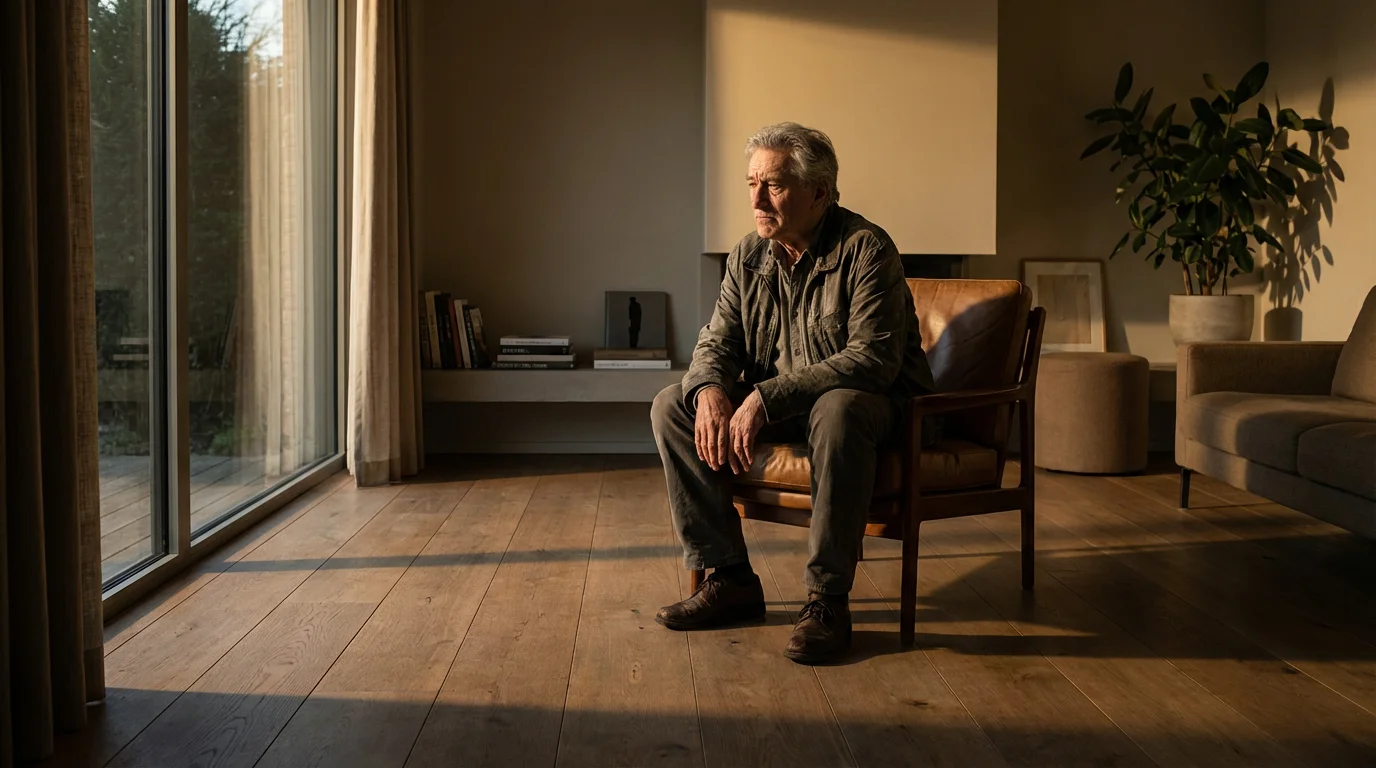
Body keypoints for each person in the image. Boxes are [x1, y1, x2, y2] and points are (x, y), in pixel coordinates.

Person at [650, 122, 936, 664]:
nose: (757, 199)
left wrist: (763, 398)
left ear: (820, 193)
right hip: (793, 409)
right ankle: (730, 577)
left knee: (838, 405)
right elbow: (717, 340)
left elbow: (871, 360)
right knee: (673, 404)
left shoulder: (867, 249)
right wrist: (710, 388)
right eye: (752, 182)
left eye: (774, 186)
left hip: (882, 410)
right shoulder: (747, 256)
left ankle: (828, 602)